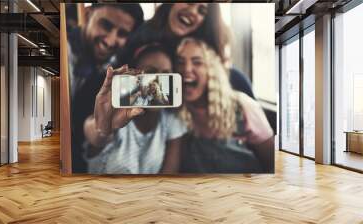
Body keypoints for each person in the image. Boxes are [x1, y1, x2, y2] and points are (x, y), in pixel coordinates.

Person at [83, 43, 187, 174]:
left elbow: (167, 178)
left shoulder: (170, 121)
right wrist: (105, 124)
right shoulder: (116, 112)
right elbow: (95, 134)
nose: (158, 83)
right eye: (151, 73)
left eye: (166, 75)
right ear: (133, 76)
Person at [176, 38, 274, 173]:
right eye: (180, 62)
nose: (186, 69)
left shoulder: (243, 106)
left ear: (212, 70)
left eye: (197, 62)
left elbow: (271, 165)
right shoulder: (173, 114)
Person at [116, 3, 255, 98]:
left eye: (202, 11)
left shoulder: (201, 50)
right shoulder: (140, 36)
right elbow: (122, 91)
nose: (193, 12)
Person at [68, 3, 144, 172]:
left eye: (122, 34)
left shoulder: (113, 65)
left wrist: (103, 128)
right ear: (87, 15)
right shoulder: (65, 57)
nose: (110, 41)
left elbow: (91, 126)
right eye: (106, 25)